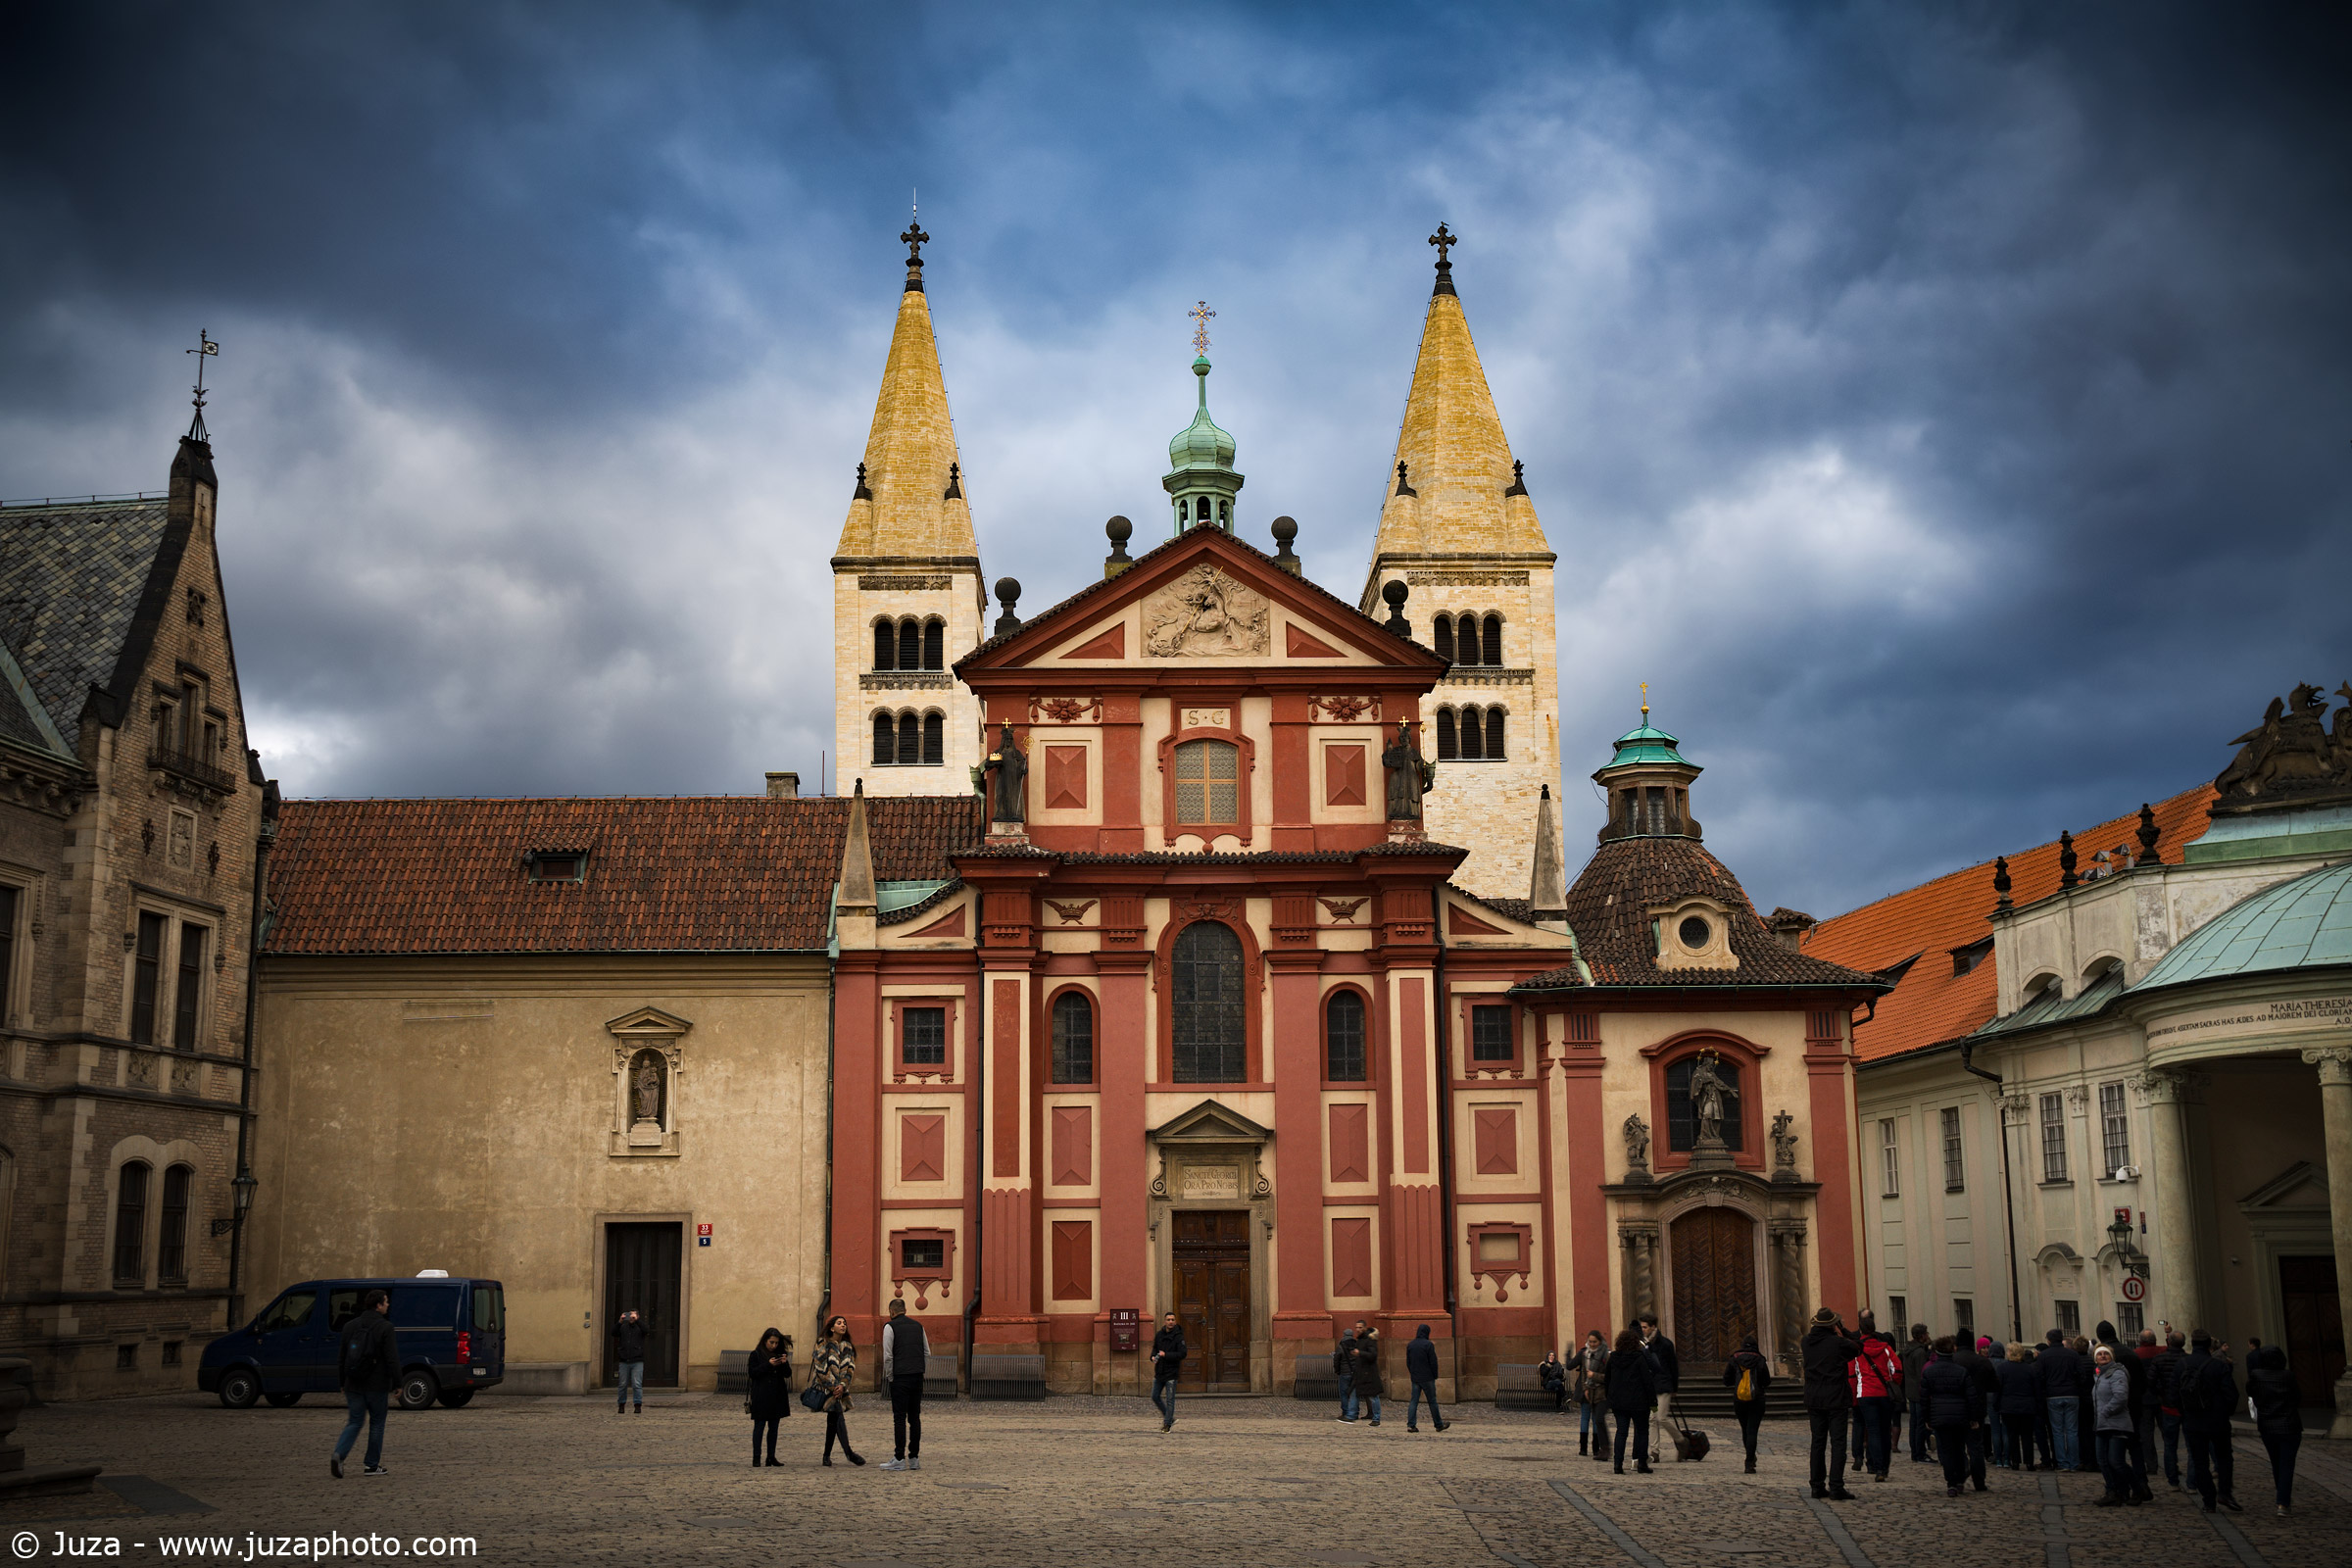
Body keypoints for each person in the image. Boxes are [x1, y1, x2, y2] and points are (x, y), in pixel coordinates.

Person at [329, 1288, 397, 1480]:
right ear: (378, 1305)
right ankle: (371, 1465)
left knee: (354, 1421)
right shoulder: (385, 1327)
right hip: (377, 1385)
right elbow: (392, 1358)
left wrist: (342, 1381)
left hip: (354, 1382)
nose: (388, 1305)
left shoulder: (350, 1326)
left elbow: (342, 1357)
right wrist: (398, 1383)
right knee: (377, 1424)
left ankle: (339, 1454)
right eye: (385, 1302)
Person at [1801, 1307, 1861, 1500]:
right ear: (1832, 1325)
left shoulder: (1806, 1342)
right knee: (1838, 1443)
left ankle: (1816, 1485)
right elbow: (1858, 1347)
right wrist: (1843, 1330)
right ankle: (1836, 1486)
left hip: (1815, 1398)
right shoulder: (1838, 1343)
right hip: (1836, 1398)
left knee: (1817, 1443)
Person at [2179, 1330, 2239, 1513]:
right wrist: (2224, 1412)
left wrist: (2185, 1413)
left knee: (2199, 1461)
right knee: (2224, 1458)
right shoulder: (2218, 1365)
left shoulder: (2181, 1364)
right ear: (2209, 1346)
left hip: (2192, 1421)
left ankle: (2208, 1500)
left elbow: (2173, 1394)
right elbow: (2232, 1394)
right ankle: (2224, 1493)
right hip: (2217, 1420)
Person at [2093, 1320, 2151, 1501]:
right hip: (2132, 1408)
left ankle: (2124, 1488)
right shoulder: (2130, 1353)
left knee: (2114, 1458)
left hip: (2116, 1413)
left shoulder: (2109, 1360)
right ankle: (2140, 1486)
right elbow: (2142, 1382)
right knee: (2134, 1450)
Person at [1920, 1335, 1984, 1498]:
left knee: (1946, 1450)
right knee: (1958, 1448)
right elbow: (1971, 1397)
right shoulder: (1961, 1371)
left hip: (1939, 1415)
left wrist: (1926, 1418)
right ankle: (1960, 1479)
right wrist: (1973, 1417)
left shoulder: (1929, 1371)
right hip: (1960, 1415)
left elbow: (1924, 1398)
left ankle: (1951, 1483)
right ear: (1952, 1350)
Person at [2245, 1345, 2300, 1517]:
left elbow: (2251, 1393)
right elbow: (2297, 1397)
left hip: (2268, 1425)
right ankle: (2283, 1501)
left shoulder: (2257, 1375)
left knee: (2276, 1462)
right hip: (2288, 1425)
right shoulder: (2288, 1376)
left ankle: (2282, 1497)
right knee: (2286, 1464)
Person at [1848, 1312, 1900, 1482]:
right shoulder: (1886, 1348)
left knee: (1873, 1431)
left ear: (1861, 1331)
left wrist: (1855, 1397)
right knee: (1885, 1430)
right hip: (1885, 1394)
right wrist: (1892, 1383)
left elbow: (1852, 1375)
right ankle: (1884, 1467)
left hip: (1866, 1393)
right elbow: (1897, 1370)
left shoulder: (1856, 1350)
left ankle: (1877, 1467)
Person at [880, 1298, 927, 1472]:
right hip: (917, 1375)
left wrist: (890, 1376)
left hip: (900, 1377)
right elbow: (927, 1351)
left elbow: (888, 1356)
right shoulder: (918, 1326)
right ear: (905, 1310)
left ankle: (899, 1458)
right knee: (914, 1417)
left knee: (899, 1417)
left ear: (891, 1311)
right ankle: (914, 1458)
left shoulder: (889, 1327)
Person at [1603, 1326, 1658, 1475]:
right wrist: (1653, 1402)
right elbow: (1647, 1381)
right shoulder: (1639, 1358)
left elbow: (1607, 1379)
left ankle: (1617, 1465)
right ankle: (1641, 1464)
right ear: (1635, 1343)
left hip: (1619, 1402)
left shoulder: (1613, 1357)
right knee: (1642, 1432)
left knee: (1621, 1432)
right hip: (1639, 1402)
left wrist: (1610, 1397)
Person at [812, 1314, 864, 1467]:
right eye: (839, 1323)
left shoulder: (848, 1346)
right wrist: (833, 1386)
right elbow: (820, 1367)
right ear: (831, 1327)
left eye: (844, 1323)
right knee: (835, 1419)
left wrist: (842, 1385)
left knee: (834, 1420)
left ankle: (828, 1456)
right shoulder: (823, 1343)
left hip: (840, 1390)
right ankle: (848, 1453)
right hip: (828, 1389)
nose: (843, 1325)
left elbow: (850, 1368)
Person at [2089, 1347, 2136, 1505]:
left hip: (2117, 1424)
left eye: (2106, 1353)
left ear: (2112, 1356)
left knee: (2116, 1461)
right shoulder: (2099, 1375)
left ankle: (2137, 1488)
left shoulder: (2116, 1373)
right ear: (2095, 1359)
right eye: (2099, 1354)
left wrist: (2105, 1411)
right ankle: (2113, 1491)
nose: (2102, 1356)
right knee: (2102, 1460)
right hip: (2102, 1425)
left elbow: (2121, 1396)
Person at [1724, 1333, 1775, 1473]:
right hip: (1757, 1399)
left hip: (1739, 1399)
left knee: (1745, 1429)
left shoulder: (1734, 1359)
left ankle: (1750, 1458)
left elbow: (1726, 1380)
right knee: (1753, 1430)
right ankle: (1749, 1462)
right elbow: (1766, 1381)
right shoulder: (1760, 1360)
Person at [1952, 1335, 1997, 1491]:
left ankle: (1959, 1476)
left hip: (1956, 1408)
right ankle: (1979, 1481)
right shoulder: (1983, 1362)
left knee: (1957, 1446)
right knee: (1976, 1447)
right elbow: (1994, 1385)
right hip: (1977, 1408)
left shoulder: (1952, 1360)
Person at [2035, 1329, 2084, 1472]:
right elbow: (2081, 1375)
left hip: (2053, 1395)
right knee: (2072, 1430)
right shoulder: (2073, 1355)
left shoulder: (2044, 1356)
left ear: (2049, 1340)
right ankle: (2074, 1462)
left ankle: (2062, 1462)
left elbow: (2039, 1376)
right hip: (2072, 1394)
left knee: (2057, 1432)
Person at [746, 1328, 792, 1468]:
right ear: (765, 1340)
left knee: (774, 1428)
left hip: (777, 1396)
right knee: (759, 1427)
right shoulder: (756, 1354)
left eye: (776, 1343)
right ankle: (756, 1457)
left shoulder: (779, 1354)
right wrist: (768, 1365)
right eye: (771, 1342)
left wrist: (783, 1363)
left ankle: (771, 1457)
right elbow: (753, 1373)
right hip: (761, 1395)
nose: (774, 1345)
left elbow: (787, 1374)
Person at [1637, 1311, 1679, 1462]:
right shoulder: (1643, 1345)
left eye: (1645, 1327)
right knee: (1653, 1419)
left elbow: (1673, 1367)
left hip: (1664, 1386)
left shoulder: (1665, 1344)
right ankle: (1654, 1452)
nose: (1643, 1330)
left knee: (1661, 1417)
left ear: (1653, 1327)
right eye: (1642, 1327)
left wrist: (1674, 1388)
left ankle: (1680, 1440)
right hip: (1651, 1387)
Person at [2149, 1329, 2188, 1489]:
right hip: (2186, 1406)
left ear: (2168, 1342)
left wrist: (2160, 1394)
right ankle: (2192, 1482)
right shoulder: (2187, 1359)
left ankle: (2173, 1480)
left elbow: (2151, 1381)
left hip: (2168, 1405)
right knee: (2191, 1445)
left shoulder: (2159, 1359)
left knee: (2170, 1444)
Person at [1993, 1342, 2040, 1470]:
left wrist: (1996, 1404)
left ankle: (2015, 1461)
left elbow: (1998, 1389)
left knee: (2012, 1435)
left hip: (2009, 1406)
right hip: (2027, 1406)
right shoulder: (2029, 1369)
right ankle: (2029, 1462)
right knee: (2027, 1436)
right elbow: (2036, 1389)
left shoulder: (2003, 1369)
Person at [1573, 1330, 1609, 1461]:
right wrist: (1586, 1388)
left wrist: (1594, 1376)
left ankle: (1597, 1448)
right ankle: (1585, 1448)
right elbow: (1583, 1374)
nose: (1592, 1344)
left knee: (1596, 1419)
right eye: (1590, 1341)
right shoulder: (1585, 1354)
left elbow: (1608, 1377)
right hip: (1588, 1392)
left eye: (1594, 1342)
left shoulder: (1605, 1355)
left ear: (1600, 1342)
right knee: (1588, 1418)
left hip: (1600, 1393)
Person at [1900, 1323, 1934, 1463]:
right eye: (1926, 1333)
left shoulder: (1908, 1350)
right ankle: (1919, 1453)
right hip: (1918, 1391)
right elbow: (1922, 1373)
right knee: (1920, 1424)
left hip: (1911, 1390)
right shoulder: (1919, 1353)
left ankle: (1916, 1452)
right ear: (1921, 1336)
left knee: (1914, 1423)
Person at [1404, 1324, 1446, 1432]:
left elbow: (1408, 1362)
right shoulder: (1428, 1345)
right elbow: (1433, 1362)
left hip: (1415, 1377)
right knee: (1432, 1401)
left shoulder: (1411, 1345)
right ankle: (1438, 1424)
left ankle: (1411, 1424)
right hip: (1427, 1377)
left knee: (1414, 1401)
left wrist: (1413, 1373)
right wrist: (1435, 1375)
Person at [1150, 1311, 1185, 1432]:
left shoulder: (1179, 1336)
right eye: (1168, 1320)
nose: (1170, 1322)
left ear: (1175, 1322)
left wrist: (1166, 1355)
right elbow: (1154, 1348)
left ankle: (1167, 1424)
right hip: (1159, 1372)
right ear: (1165, 1321)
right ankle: (1169, 1417)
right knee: (1155, 1396)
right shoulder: (1159, 1334)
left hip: (1171, 1372)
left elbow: (1182, 1354)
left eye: (1172, 1320)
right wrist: (1153, 1357)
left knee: (1170, 1400)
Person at [1348, 1322, 1386, 1427]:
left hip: (1369, 1373)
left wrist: (1360, 1353)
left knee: (1373, 1396)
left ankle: (1376, 1418)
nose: (1358, 1329)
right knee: (1354, 1392)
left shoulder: (1370, 1340)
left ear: (1364, 1328)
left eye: (1360, 1327)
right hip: (1360, 1372)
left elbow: (1373, 1355)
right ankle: (1351, 1415)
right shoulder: (1360, 1340)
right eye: (1356, 1327)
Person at [612, 1307, 648, 1415]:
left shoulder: (640, 1327)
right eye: (630, 1315)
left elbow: (646, 1330)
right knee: (622, 1384)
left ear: (637, 1316)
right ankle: (621, 1405)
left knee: (637, 1384)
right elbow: (613, 1333)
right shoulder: (623, 1327)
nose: (631, 1317)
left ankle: (637, 1405)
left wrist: (637, 1321)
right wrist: (620, 1321)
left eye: (633, 1315)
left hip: (637, 1360)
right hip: (624, 1360)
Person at [1333, 1323, 1359, 1422]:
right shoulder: (1356, 1344)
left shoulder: (1341, 1346)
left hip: (1344, 1373)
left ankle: (1346, 1413)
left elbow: (1336, 1359)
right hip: (1354, 1373)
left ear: (1344, 1335)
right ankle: (1354, 1413)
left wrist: (1337, 1370)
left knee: (1344, 1394)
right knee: (1354, 1393)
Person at [1539, 1348, 1568, 1413]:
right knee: (1558, 1382)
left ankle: (1558, 1408)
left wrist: (1557, 1374)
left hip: (1557, 1383)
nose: (1551, 1357)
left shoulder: (1558, 1364)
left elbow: (1561, 1375)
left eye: (1553, 1355)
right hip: (1548, 1384)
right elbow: (1543, 1374)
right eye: (1550, 1355)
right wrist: (1548, 1367)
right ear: (1547, 1356)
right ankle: (1565, 1396)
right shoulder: (1544, 1364)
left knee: (1558, 1388)